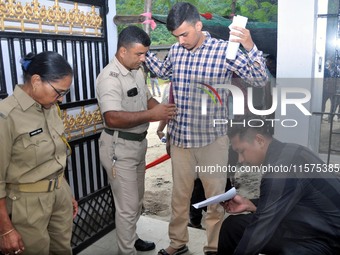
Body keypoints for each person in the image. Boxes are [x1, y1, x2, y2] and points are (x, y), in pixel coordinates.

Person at [145, 2, 268, 255]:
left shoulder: (225, 51)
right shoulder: (176, 50)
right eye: (176, 36)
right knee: (179, 198)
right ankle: (177, 244)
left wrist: (249, 46)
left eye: (184, 34)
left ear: (198, 25)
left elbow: (260, 79)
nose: (180, 40)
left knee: (215, 200)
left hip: (212, 141)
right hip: (180, 141)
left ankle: (213, 247)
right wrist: (140, 51)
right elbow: (161, 70)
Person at [95, 26, 176, 255]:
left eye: (145, 54)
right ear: (122, 51)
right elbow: (111, 117)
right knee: (127, 207)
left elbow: (148, 99)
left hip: (138, 145)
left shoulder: (137, 71)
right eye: (140, 54)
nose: (144, 59)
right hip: (119, 148)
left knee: (136, 201)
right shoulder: (109, 78)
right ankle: (126, 251)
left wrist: (162, 110)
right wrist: (153, 115)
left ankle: (131, 237)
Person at [217, 117, 340, 255]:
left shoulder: (280, 170)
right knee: (233, 227)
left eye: (241, 151)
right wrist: (250, 203)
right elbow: (286, 199)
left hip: (329, 239)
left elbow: (260, 230)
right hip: (307, 225)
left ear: (259, 140)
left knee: (280, 246)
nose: (241, 160)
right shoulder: (292, 150)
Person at [0, 51, 78, 255]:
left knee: (63, 250)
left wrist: (66, 193)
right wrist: (5, 229)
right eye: (58, 92)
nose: (60, 99)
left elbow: (56, 156)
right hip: (27, 204)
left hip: (59, 196)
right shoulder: (6, 116)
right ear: (36, 81)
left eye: (64, 93)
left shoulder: (50, 107)